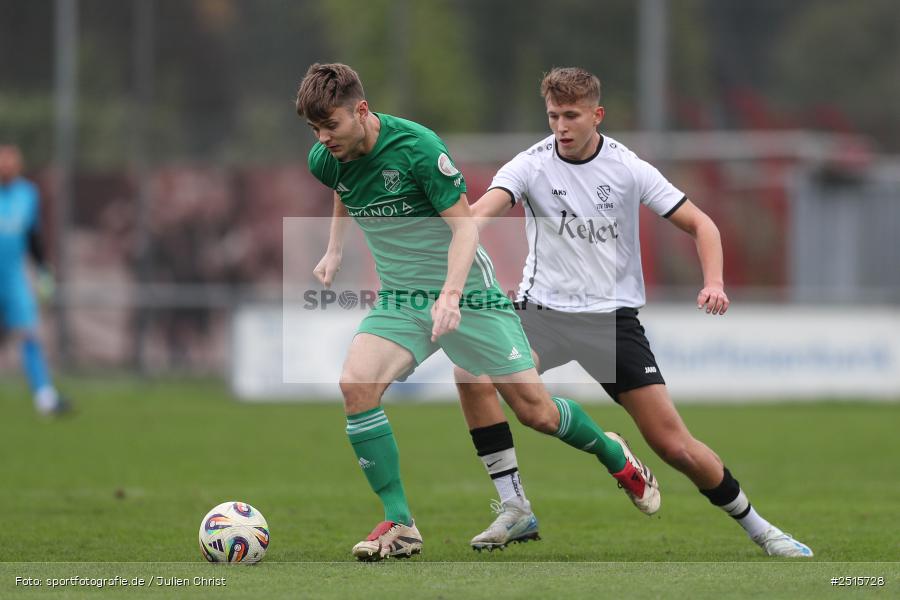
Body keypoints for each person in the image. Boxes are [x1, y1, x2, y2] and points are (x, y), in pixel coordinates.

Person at [296, 63, 660, 561]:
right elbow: (344, 185)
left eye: (330, 126)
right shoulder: (326, 155)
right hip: (402, 299)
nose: (322, 138)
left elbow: (466, 228)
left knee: (535, 411)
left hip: (470, 293)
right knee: (356, 388)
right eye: (315, 130)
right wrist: (335, 248)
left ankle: (613, 452)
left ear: (361, 110)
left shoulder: (419, 148)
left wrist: (449, 296)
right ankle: (400, 524)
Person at [454, 67, 813, 557]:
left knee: (675, 447)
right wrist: (450, 231)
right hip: (542, 315)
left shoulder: (628, 168)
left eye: (572, 116)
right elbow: (480, 214)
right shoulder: (530, 165)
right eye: (554, 115)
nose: (561, 126)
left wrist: (714, 282)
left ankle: (763, 531)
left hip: (611, 323)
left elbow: (701, 224)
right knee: (471, 369)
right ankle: (514, 506)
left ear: (596, 115)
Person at [0, 144, 69, 416]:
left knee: (30, 333)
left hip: (14, 278)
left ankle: (45, 397)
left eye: (10, 163)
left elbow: (33, 238)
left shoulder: (27, 194)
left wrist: (43, 272)